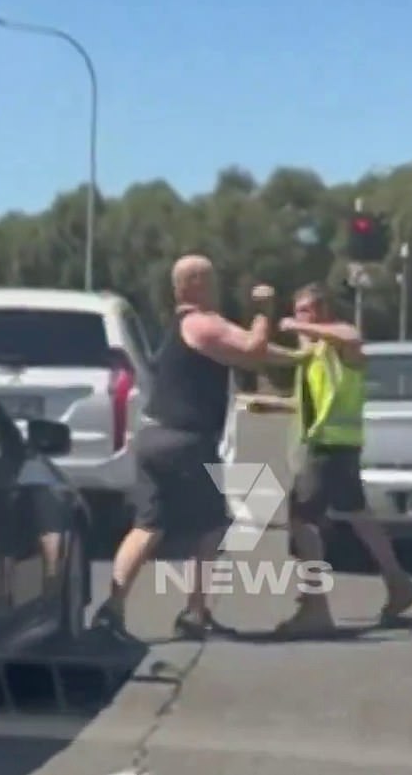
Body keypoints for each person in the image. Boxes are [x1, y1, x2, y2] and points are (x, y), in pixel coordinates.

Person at [92, 254, 274, 640]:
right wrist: (263, 310)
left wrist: (298, 357)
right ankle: (195, 611)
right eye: (211, 279)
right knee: (211, 526)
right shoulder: (203, 323)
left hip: (154, 436)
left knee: (147, 527)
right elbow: (254, 349)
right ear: (193, 283)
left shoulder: (180, 327)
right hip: (186, 441)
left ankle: (112, 609)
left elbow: (244, 353)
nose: (218, 286)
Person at [267, 282, 412, 635]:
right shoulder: (313, 353)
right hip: (332, 447)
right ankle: (399, 583)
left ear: (322, 312)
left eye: (306, 312)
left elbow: (351, 336)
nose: (299, 320)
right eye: (297, 312)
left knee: (302, 521)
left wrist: (298, 328)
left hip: (330, 447)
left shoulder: (340, 345)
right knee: (358, 516)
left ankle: (316, 606)